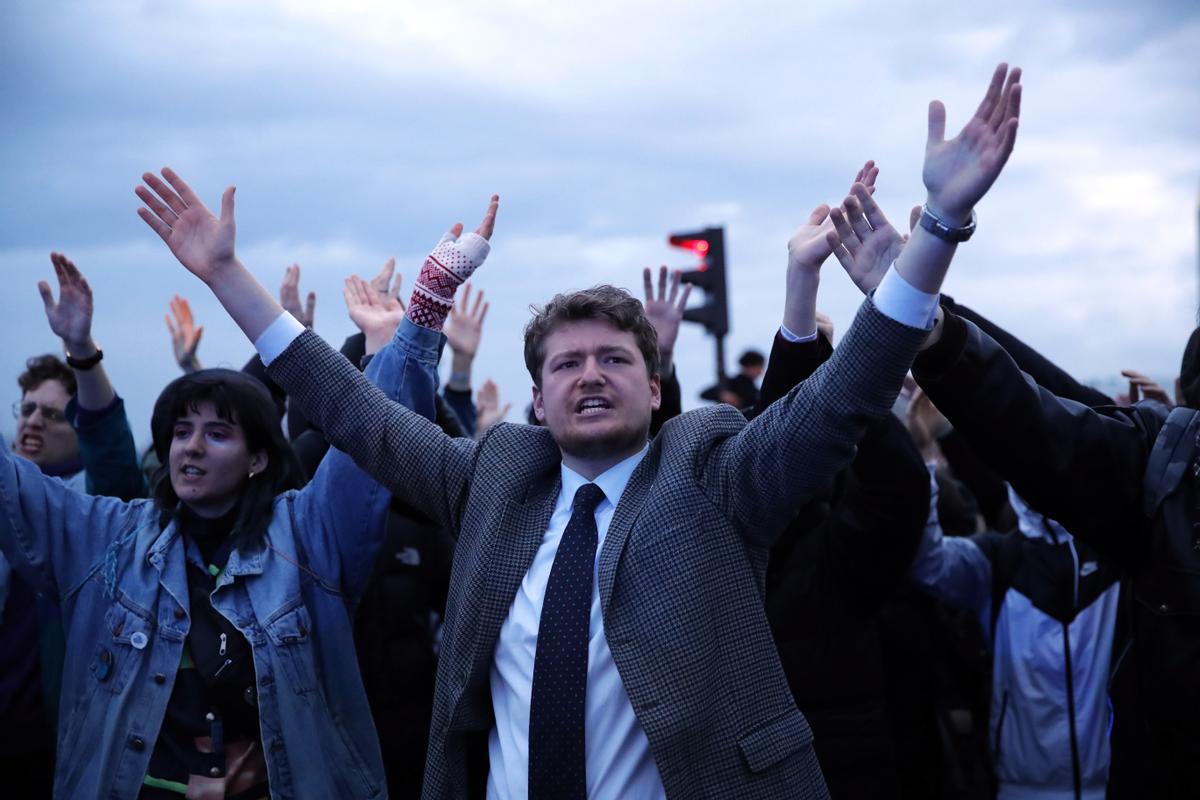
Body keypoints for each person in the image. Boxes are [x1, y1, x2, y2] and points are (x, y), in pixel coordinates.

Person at [138, 62, 1020, 800]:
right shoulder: (495, 476)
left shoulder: (714, 471)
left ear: (656, 382)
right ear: (537, 393)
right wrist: (225, 275)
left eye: (613, 359)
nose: (590, 374)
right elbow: (355, 414)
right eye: (566, 364)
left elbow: (844, 395)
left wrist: (937, 228)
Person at [0, 217, 492, 795]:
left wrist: (419, 313)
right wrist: (81, 352)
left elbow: (375, 442)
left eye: (217, 434)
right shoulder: (108, 540)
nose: (191, 447)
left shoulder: (308, 537)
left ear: (258, 457)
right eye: (181, 431)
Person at [1, 253, 145, 797]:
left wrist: (82, 353)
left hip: (55, 744)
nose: (33, 421)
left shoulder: (92, 512)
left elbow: (114, 465)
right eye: (26, 408)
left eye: (52, 414)